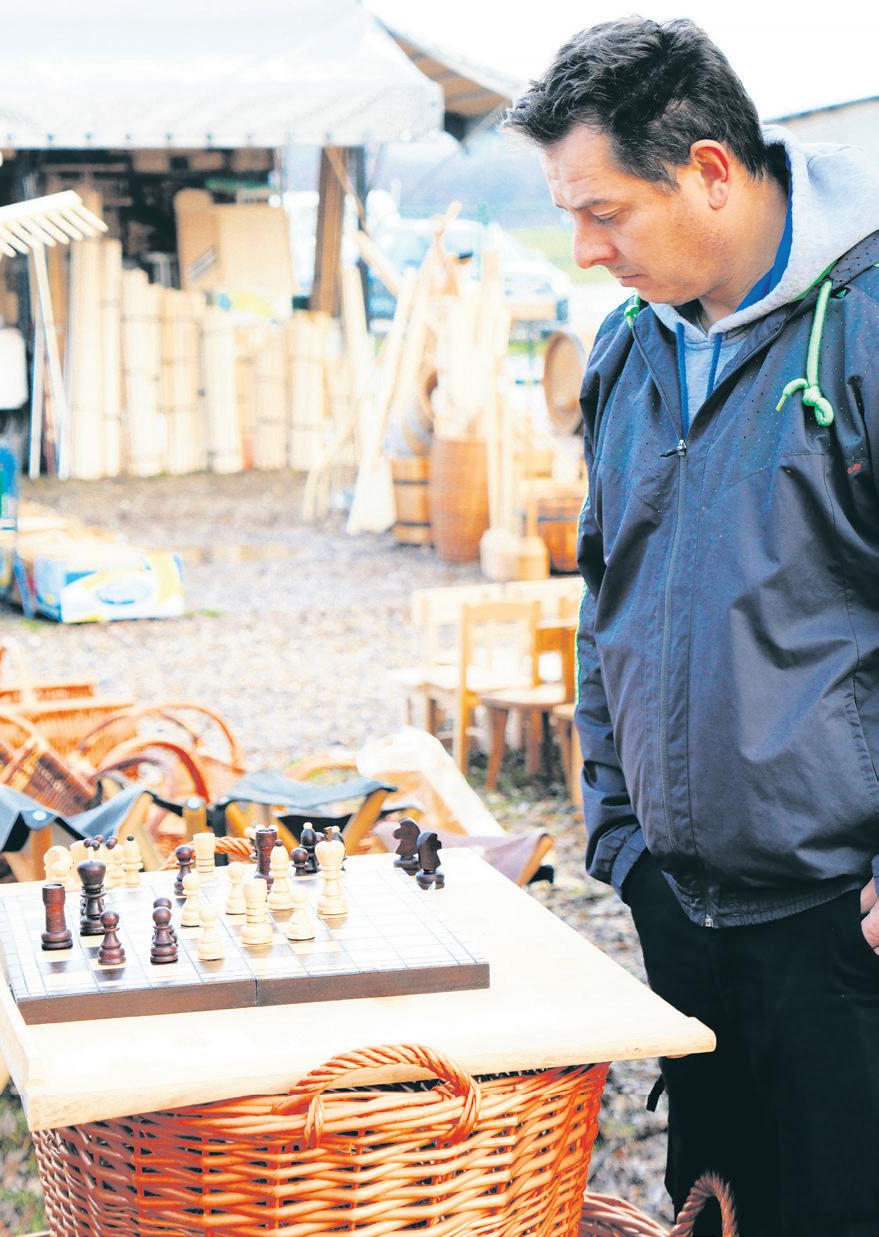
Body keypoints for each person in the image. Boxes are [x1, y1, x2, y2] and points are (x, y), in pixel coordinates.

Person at [506, 18, 879, 1237]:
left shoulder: (864, 327)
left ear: (709, 171)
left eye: (603, 211)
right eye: (570, 214)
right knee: (713, 1212)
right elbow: (604, 592)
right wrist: (618, 830)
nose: (583, 248)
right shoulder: (629, 350)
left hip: (841, 929)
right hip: (680, 912)